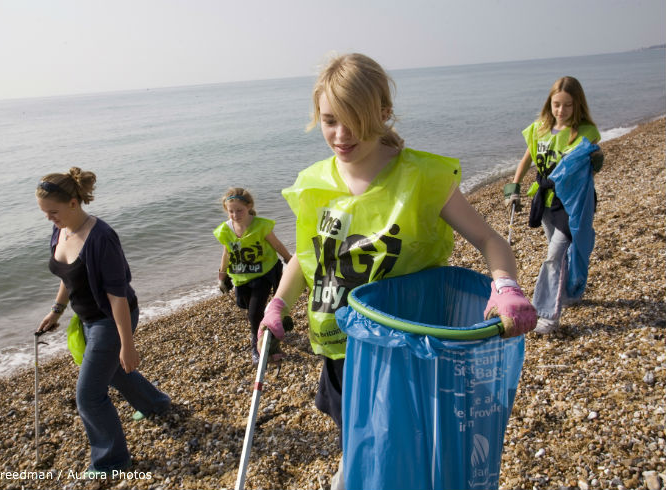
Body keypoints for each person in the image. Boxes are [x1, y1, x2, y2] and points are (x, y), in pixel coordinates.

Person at [258, 53, 537, 485]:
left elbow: (489, 240)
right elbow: (307, 256)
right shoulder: (314, 182)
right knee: (355, 440)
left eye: (355, 120)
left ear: (384, 113)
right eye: (330, 120)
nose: (341, 134)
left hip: (406, 348)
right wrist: (278, 303)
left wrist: (505, 285)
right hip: (340, 346)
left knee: (408, 444)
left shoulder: (422, 177)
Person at [35, 167, 171, 476]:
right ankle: (156, 404)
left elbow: (117, 297)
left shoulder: (101, 238)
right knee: (112, 375)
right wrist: (56, 311)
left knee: (88, 396)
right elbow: (69, 276)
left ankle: (111, 461)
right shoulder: (61, 229)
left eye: (52, 212)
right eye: (44, 213)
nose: (48, 218)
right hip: (87, 319)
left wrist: (127, 344)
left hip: (111, 320)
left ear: (74, 202)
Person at [504, 76, 603, 334]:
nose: (561, 110)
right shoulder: (540, 128)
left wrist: (597, 159)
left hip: (572, 202)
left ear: (577, 104)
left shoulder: (586, 132)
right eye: (556, 104)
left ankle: (545, 316)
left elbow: (588, 167)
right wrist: (513, 188)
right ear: (550, 103)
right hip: (545, 200)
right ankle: (568, 293)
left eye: (568, 105)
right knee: (556, 253)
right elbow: (526, 160)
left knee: (554, 255)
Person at [213, 187, 292, 364]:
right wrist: (222, 275)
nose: (235, 214)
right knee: (245, 306)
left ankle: (257, 346)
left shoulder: (260, 226)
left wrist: (289, 260)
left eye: (239, 210)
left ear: (249, 206)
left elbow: (277, 245)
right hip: (241, 276)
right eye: (231, 211)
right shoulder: (226, 230)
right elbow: (227, 253)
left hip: (264, 273)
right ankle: (272, 321)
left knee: (254, 313)